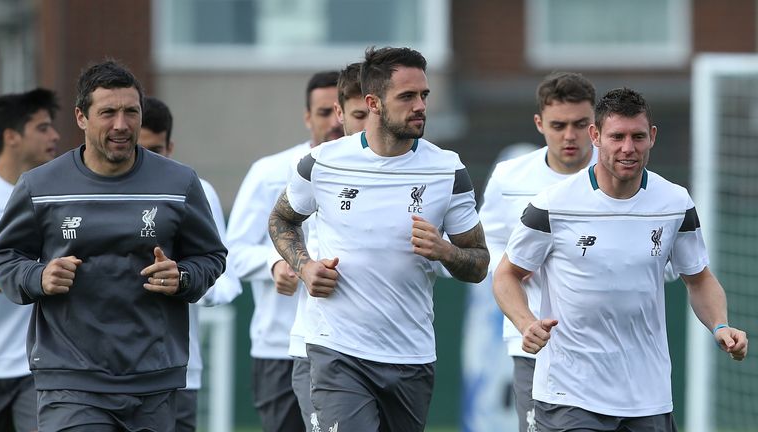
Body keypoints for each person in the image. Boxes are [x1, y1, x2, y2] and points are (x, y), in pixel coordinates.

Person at [0, 60, 227, 431]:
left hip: (154, 379)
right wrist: (38, 277)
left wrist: (182, 275)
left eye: (131, 112)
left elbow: (211, 257)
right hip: (70, 380)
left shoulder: (179, 183)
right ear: (82, 117)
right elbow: (4, 257)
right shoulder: (40, 186)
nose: (121, 124)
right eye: (108, 113)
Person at [493, 87, 748, 432]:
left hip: (648, 395)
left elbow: (699, 277)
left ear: (652, 137)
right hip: (570, 394)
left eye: (638, 136)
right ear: (596, 136)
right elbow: (507, 274)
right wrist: (526, 323)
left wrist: (720, 325)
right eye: (617, 137)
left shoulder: (675, 203)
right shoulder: (552, 205)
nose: (628, 148)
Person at [268, 46, 490, 432]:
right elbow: (282, 220)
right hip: (338, 351)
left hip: (411, 356)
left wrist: (445, 250)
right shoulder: (322, 163)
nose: (420, 105)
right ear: (373, 102)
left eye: (424, 95)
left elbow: (479, 262)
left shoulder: (448, 170)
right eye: (407, 96)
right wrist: (304, 267)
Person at [479, 72, 597, 432]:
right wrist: (512, 264)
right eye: (558, 125)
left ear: (596, 124)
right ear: (539, 123)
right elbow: (484, 245)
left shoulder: (623, 176)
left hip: (608, 345)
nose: (570, 135)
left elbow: (664, 263)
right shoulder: (510, 177)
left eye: (581, 124)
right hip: (533, 342)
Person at [226, 70, 343, 432]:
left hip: (346, 345)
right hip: (279, 347)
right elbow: (232, 252)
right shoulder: (270, 172)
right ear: (307, 117)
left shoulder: (374, 174)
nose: (334, 122)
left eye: (341, 112)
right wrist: (276, 262)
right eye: (324, 112)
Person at [270, 62, 371, 431]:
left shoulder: (419, 169)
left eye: (371, 113)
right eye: (357, 114)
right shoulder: (296, 168)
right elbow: (241, 243)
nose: (366, 124)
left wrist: (437, 251)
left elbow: (464, 259)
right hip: (308, 343)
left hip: (398, 352)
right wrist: (291, 265)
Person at [139, 96, 242, 431]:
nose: (146, 161)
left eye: (155, 149)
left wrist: (185, 280)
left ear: (171, 146)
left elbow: (227, 279)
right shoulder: (87, 190)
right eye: (138, 149)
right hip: (98, 378)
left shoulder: (196, 190)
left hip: (177, 374)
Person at [0, 88, 60, 432]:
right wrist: (6, 276)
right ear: (11, 137)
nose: (55, 135)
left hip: (36, 366)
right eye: (43, 127)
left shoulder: (56, 194)